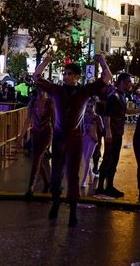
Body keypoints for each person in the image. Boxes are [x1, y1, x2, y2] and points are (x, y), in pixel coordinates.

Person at [33, 54, 112, 227]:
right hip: (60, 137)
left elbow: (107, 78)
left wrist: (101, 61)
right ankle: (55, 203)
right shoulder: (57, 90)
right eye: (65, 73)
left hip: (75, 139)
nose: (66, 76)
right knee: (56, 176)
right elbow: (36, 77)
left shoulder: (83, 92)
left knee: (72, 175)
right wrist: (46, 61)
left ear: (77, 76)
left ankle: (73, 211)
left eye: (70, 74)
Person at [96, 72, 133, 197]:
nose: (131, 84)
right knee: (108, 159)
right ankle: (102, 186)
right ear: (122, 82)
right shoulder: (114, 96)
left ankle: (108, 186)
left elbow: (124, 111)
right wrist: (108, 132)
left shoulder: (121, 96)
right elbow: (107, 115)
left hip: (118, 132)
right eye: (128, 81)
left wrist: (139, 110)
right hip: (113, 133)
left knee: (113, 159)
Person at [23, 88, 53, 197]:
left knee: (37, 158)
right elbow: (28, 119)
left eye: (42, 89)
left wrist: (54, 138)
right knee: (37, 158)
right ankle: (47, 182)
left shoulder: (50, 102)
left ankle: (31, 187)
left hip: (46, 132)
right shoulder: (32, 102)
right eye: (39, 89)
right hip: (35, 132)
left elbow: (54, 120)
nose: (40, 91)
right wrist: (21, 135)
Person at [79, 97, 103, 192]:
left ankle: (84, 180)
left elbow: (102, 129)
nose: (89, 108)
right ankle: (91, 175)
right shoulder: (83, 116)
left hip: (93, 139)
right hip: (84, 138)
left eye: (91, 106)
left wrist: (95, 126)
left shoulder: (97, 117)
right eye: (87, 106)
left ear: (94, 107)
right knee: (86, 159)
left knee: (88, 158)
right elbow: (80, 127)